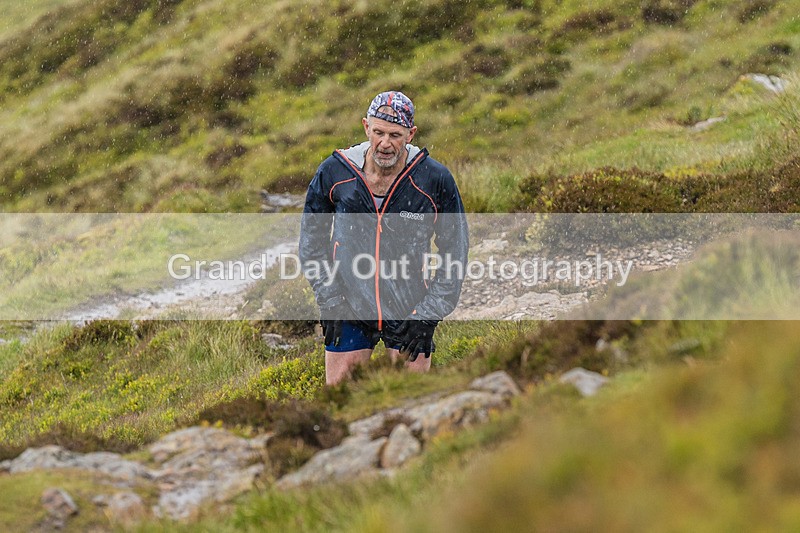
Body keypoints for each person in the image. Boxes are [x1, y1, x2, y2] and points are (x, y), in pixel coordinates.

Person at [299, 91, 468, 385]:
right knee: (341, 404)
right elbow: (311, 243)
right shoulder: (335, 171)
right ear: (366, 127)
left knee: (408, 405)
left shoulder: (433, 179)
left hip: (409, 309)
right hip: (348, 305)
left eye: (395, 134)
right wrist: (330, 301)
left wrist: (428, 314)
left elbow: (456, 251)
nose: (385, 143)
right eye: (378, 132)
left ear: (411, 134)